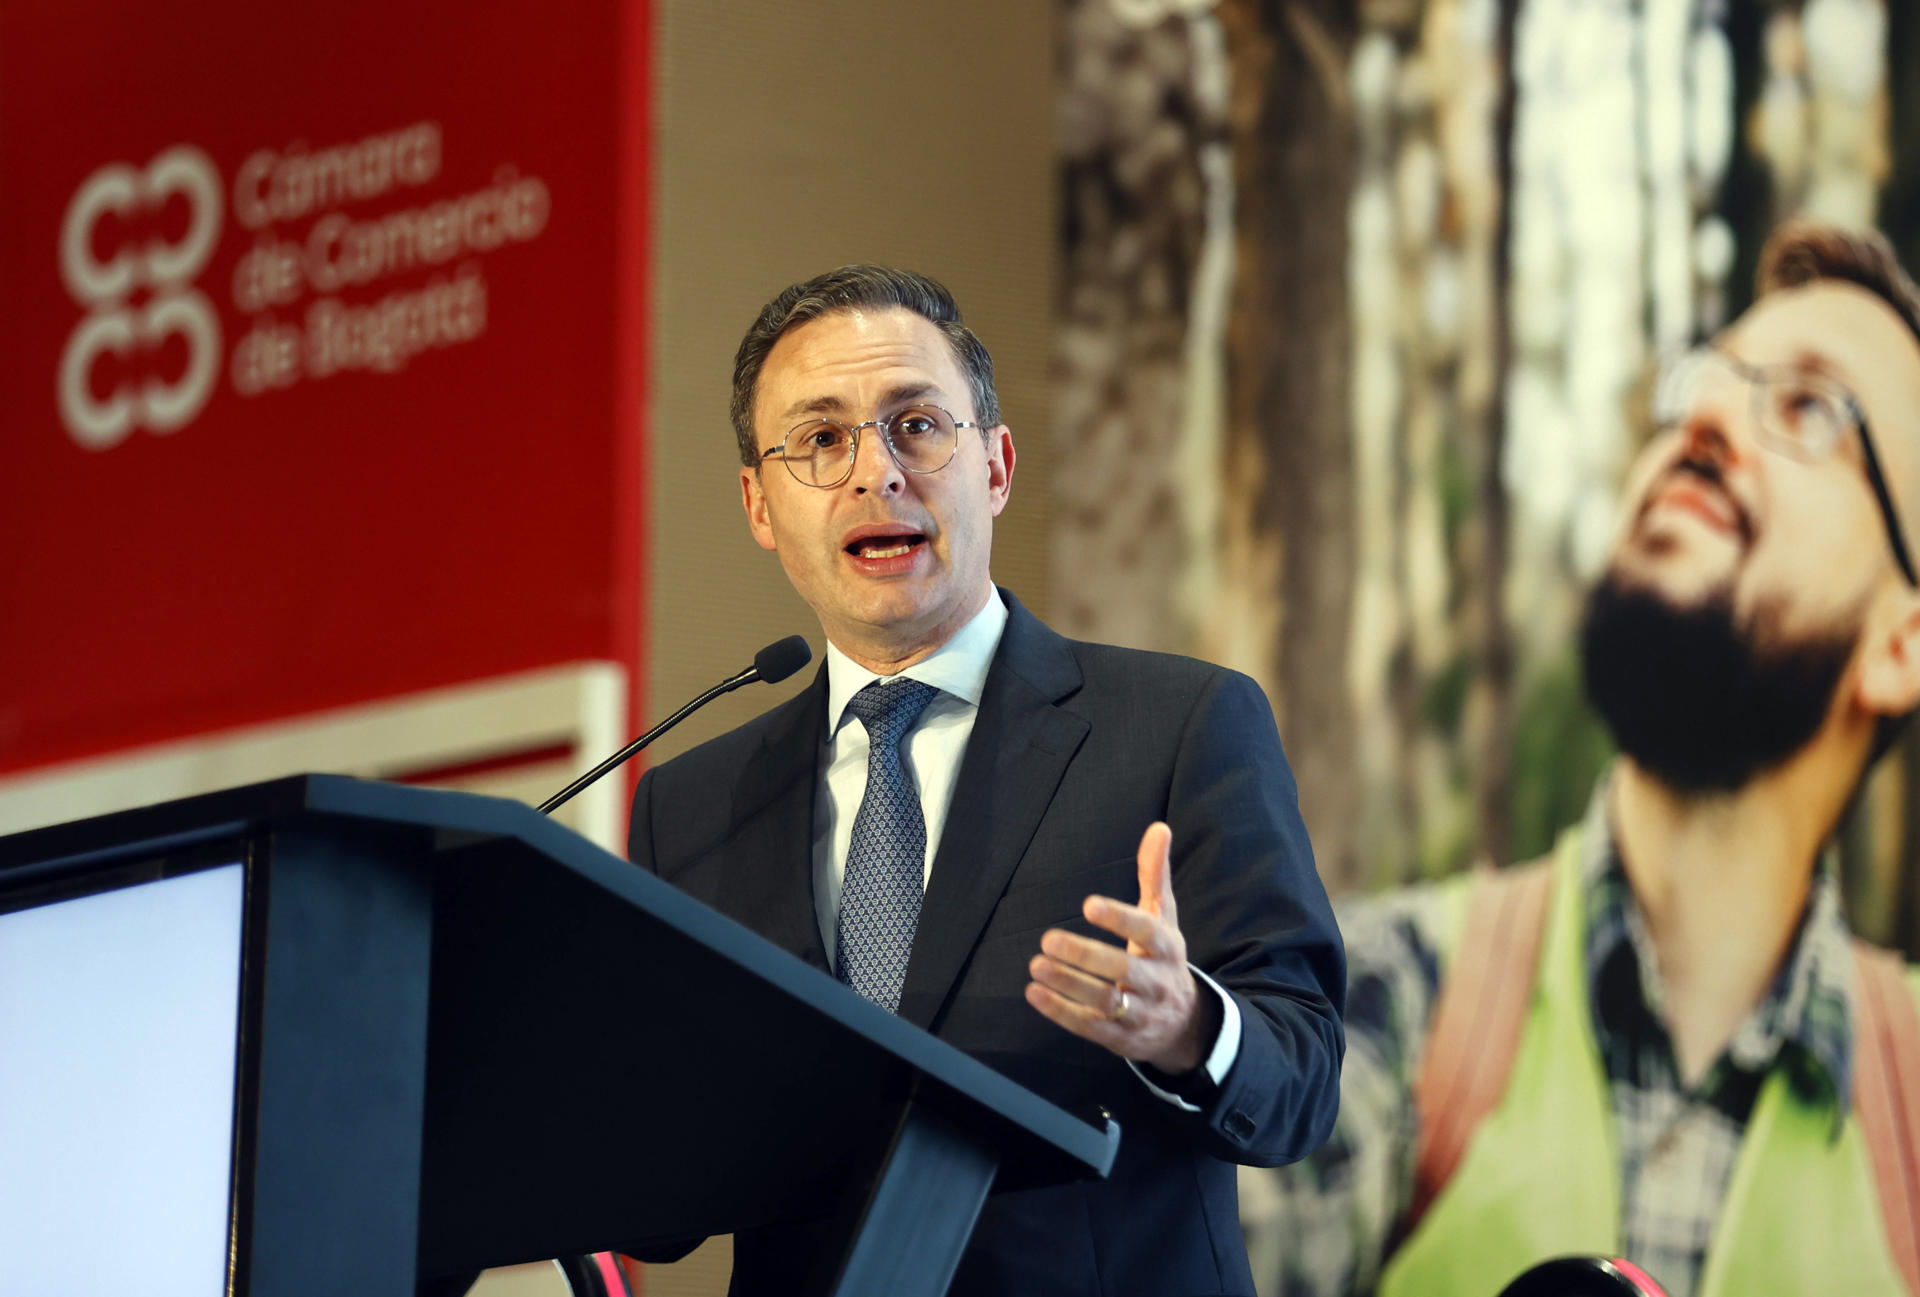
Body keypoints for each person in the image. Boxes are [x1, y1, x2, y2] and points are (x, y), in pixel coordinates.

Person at [625, 264, 1345, 1296]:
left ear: (997, 467)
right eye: (821, 439)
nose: (875, 473)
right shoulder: (691, 806)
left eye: (916, 425)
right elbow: (661, 1197)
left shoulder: (1181, 724)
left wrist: (1189, 1025)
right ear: (759, 504)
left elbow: (1303, 1077)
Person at [1245, 222, 1920, 1297]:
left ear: (1902, 643)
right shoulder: (1381, 1003)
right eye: (1706, 381)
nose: (1705, 418)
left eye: (1808, 406)